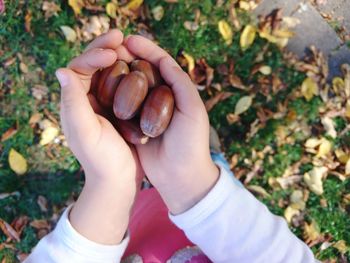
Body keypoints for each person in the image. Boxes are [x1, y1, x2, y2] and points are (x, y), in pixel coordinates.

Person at [24, 30, 317, 263]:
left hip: (135, 228)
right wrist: (189, 181)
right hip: (206, 217)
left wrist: (110, 184)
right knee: (208, 172)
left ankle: (171, 176)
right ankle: (206, 162)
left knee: (165, 186)